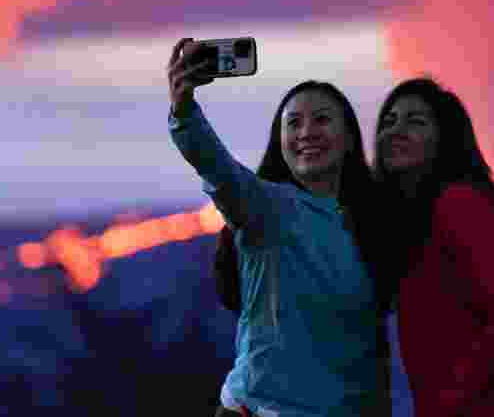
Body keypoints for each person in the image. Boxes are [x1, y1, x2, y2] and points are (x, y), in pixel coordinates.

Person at [215, 77, 494, 416]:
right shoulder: (406, 220)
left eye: (415, 122)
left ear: (444, 138)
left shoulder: (460, 202)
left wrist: (451, 399)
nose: (396, 131)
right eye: (389, 121)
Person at [167, 38, 397, 417]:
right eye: (294, 123)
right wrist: (184, 109)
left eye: (322, 119)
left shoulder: (372, 228)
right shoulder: (269, 209)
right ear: (280, 141)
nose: (307, 132)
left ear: (350, 138)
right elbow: (219, 170)